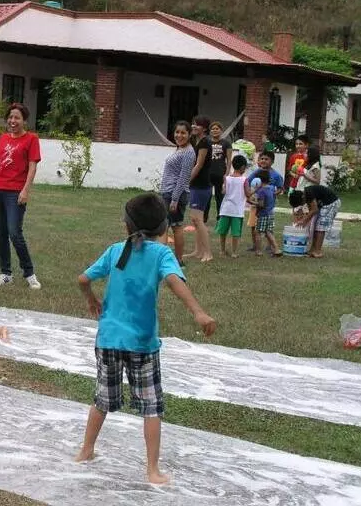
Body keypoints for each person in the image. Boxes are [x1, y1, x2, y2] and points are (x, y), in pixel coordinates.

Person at [74, 192, 216, 484]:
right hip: (142, 344)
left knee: (102, 399)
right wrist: (199, 313)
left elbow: (83, 279)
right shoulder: (161, 254)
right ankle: (152, 470)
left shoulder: (116, 250)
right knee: (151, 407)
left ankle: (86, 451)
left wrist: (91, 300)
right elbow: (175, 282)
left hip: (108, 341)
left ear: (127, 226)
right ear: (164, 227)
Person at [0, 102, 42, 289]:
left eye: (17, 117)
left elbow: (32, 166)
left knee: (15, 233)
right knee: (1, 234)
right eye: (10, 117)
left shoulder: (31, 139)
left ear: (24, 120)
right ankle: (5, 273)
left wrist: (25, 190)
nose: (12, 120)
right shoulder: (3, 139)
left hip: (15, 192)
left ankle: (29, 273)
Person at [158, 120, 195, 264]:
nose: (179, 135)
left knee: (175, 226)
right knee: (167, 226)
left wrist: (174, 199)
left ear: (189, 134)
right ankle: (167, 259)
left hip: (175, 194)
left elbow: (184, 177)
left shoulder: (188, 152)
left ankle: (177, 260)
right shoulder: (180, 149)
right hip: (168, 192)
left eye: (183, 133)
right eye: (177, 132)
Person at [185, 115, 213, 262]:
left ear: (205, 128)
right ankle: (197, 251)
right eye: (193, 124)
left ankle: (208, 253)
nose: (194, 126)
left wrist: (186, 181)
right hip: (197, 185)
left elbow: (199, 165)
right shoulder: (198, 141)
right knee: (196, 220)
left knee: (198, 219)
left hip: (201, 185)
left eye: (197, 125)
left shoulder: (204, 143)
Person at [289, 185, 342, 258]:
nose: (302, 204)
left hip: (331, 204)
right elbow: (312, 211)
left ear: (302, 198)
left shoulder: (309, 193)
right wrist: (305, 221)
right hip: (323, 205)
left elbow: (314, 209)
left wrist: (304, 220)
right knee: (315, 227)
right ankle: (312, 250)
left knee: (320, 227)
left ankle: (318, 252)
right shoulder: (305, 195)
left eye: (301, 203)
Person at [246, 151, 284, 252]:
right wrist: (251, 194)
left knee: (268, 226)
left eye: (266, 159)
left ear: (272, 162)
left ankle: (269, 246)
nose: (263, 161)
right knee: (253, 224)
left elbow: (280, 188)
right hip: (256, 202)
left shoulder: (275, 175)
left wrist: (273, 194)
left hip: (268, 206)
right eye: (262, 159)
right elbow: (247, 182)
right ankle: (255, 245)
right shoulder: (256, 172)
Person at [215, 155, 248, 257]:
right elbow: (248, 194)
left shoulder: (227, 178)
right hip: (237, 211)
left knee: (222, 231)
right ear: (243, 167)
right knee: (236, 233)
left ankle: (222, 250)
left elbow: (223, 192)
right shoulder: (244, 179)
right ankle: (234, 252)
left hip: (225, 209)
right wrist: (256, 189)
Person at [206, 121, 232, 222]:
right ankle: (204, 217)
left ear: (221, 130)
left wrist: (227, 174)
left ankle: (220, 217)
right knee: (207, 196)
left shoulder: (226, 143)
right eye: (213, 129)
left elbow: (229, 160)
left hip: (220, 173)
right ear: (210, 131)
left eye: (217, 129)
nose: (215, 130)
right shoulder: (206, 142)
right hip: (207, 174)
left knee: (219, 197)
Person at [252, 169, 282, 257]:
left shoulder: (261, 191)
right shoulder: (272, 189)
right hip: (270, 213)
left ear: (259, 180)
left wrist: (252, 202)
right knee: (269, 232)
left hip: (263, 214)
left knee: (258, 232)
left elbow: (261, 204)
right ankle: (276, 249)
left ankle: (258, 251)